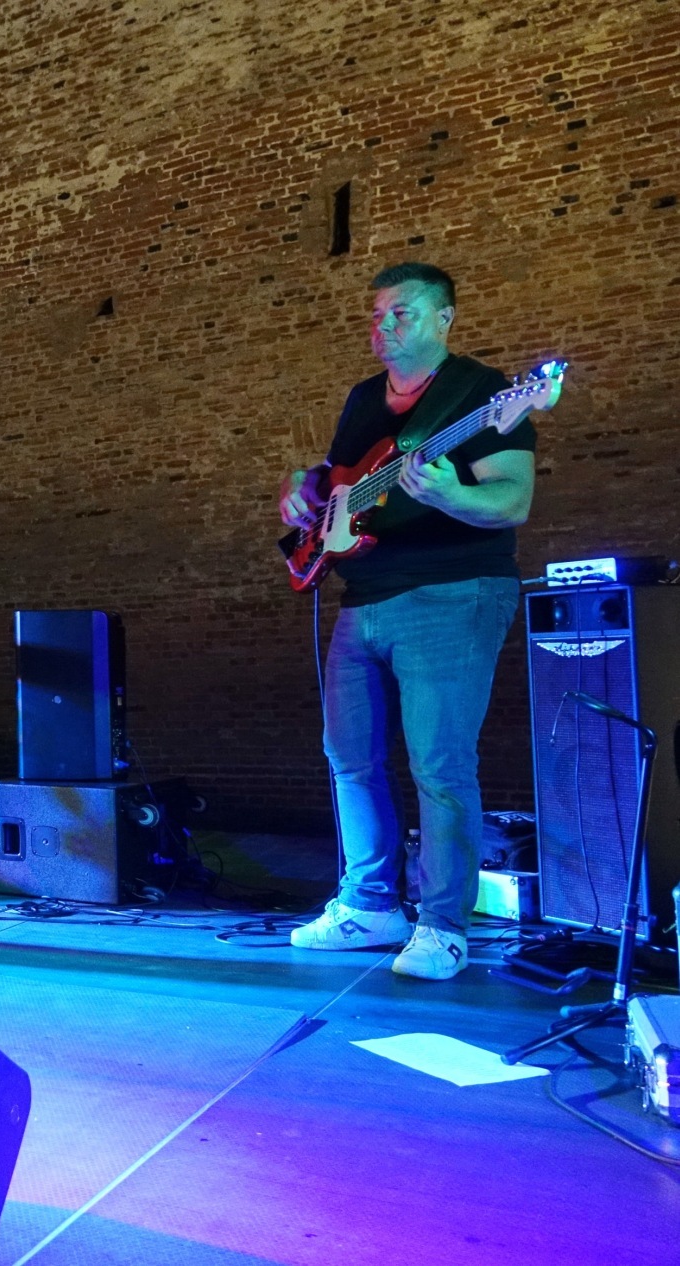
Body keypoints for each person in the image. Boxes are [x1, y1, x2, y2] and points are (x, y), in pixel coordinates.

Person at [278, 262, 540, 981]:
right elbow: (336, 479)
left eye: (403, 313)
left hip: (453, 592)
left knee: (440, 764)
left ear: (445, 318)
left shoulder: (484, 393)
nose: (384, 326)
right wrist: (301, 489)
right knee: (350, 758)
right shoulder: (365, 398)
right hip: (363, 596)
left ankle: (443, 927)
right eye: (377, 315)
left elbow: (512, 501)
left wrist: (452, 495)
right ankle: (369, 906)